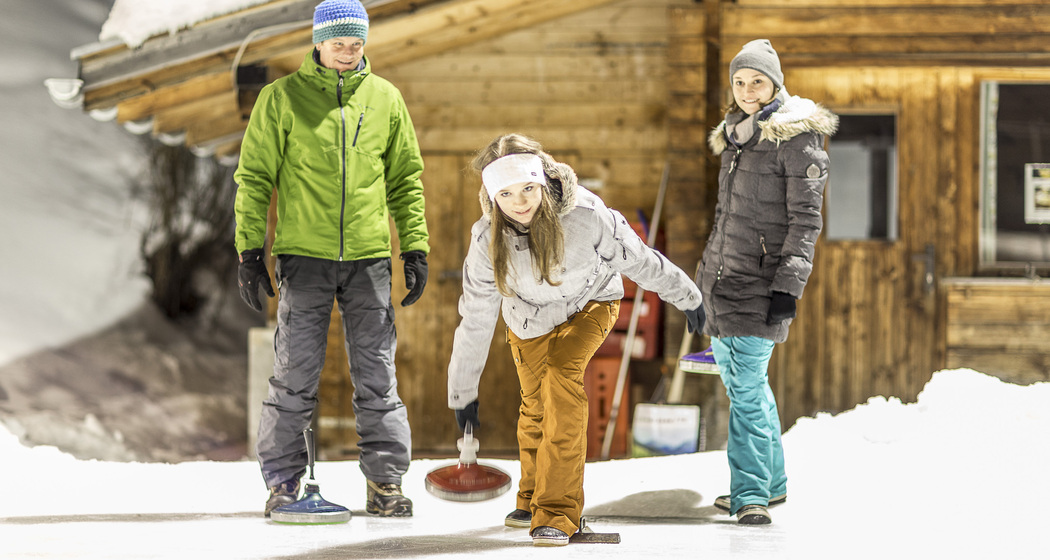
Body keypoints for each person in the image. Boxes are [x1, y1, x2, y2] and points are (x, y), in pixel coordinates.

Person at [446, 133, 704, 546]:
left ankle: (558, 513)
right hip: (528, 319)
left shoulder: (586, 215)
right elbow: (475, 317)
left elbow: (637, 257)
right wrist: (462, 393)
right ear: (493, 195)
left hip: (591, 303)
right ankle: (530, 497)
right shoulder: (485, 241)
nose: (520, 202)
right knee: (534, 405)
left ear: (542, 179)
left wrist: (686, 295)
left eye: (528, 188)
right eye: (507, 193)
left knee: (561, 382)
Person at [233, 0, 429, 518]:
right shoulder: (281, 99)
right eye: (339, 43)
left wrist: (415, 246)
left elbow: (405, 180)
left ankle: (385, 484)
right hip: (303, 258)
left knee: (378, 375)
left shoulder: (386, 99)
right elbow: (254, 179)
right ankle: (283, 483)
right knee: (294, 375)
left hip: (368, 260)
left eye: (357, 43)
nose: (349, 52)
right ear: (318, 42)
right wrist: (249, 250)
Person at [698, 39, 837, 525]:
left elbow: (807, 220)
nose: (746, 90)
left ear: (775, 83)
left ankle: (751, 494)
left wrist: (788, 286)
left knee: (746, 391)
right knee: (748, 388)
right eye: (739, 82)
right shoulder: (737, 137)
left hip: (761, 284)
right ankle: (771, 484)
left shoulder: (795, 139)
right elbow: (725, 216)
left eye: (756, 80)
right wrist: (703, 280)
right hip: (722, 280)